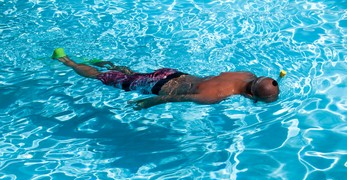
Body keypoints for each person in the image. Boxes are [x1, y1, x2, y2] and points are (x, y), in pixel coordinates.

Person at [52, 48, 280, 110]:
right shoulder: (214, 98)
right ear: (251, 97)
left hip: (173, 73)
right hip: (160, 86)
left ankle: (103, 62)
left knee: (129, 75)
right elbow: (176, 98)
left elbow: (211, 78)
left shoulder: (246, 75)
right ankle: (67, 61)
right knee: (105, 79)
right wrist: (148, 103)